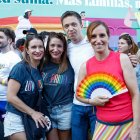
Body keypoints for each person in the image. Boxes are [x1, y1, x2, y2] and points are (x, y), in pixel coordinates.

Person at [76, 20, 140, 140]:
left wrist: (136, 127)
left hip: (128, 124)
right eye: (93, 36)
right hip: (102, 125)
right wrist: (91, 101)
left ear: (108, 37)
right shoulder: (85, 66)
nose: (98, 40)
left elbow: (135, 94)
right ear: (89, 40)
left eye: (102, 35)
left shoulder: (122, 59)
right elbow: (78, 95)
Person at [4, 35, 49, 140]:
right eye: (33, 47)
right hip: (17, 118)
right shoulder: (20, 68)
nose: (38, 50)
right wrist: (33, 113)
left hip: (31, 118)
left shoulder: (38, 69)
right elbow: (10, 97)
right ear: (27, 50)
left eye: (40, 47)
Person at [61, 11, 96, 140]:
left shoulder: (93, 43)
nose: (70, 28)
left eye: (74, 24)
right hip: (77, 103)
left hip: (96, 104)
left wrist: (129, 59)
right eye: (66, 26)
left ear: (81, 25)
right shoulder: (67, 49)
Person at [41, 32, 74, 140]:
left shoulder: (71, 64)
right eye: (52, 45)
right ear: (47, 47)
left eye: (59, 46)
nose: (55, 49)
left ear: (64, 48)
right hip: (47, 110)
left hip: (66, 110)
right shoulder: (42, 65)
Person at [0, 28, 21, 140]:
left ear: (9, 40)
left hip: (6, 102)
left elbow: (17, 83)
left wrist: (1, 80)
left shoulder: (14, 59)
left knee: (8, 133)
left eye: (1, 37)